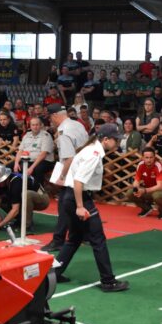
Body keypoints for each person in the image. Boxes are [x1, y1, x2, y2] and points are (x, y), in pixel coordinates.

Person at [53, 123, 129, 292]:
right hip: (79, 198)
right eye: (115, 140)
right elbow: (79, 181)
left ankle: (54, 273)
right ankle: (108, 281)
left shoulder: (89, 150)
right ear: (105, 139)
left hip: (69, 197)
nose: (117, 143)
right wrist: (80, 207)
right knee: (98, 239)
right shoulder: (93, 154)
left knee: (74, 239)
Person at [41, 103, 90, 253]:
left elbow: (69, 158)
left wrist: (61, 176)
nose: (50, 121)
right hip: (85, 168)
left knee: (64, 205)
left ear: (55, 116)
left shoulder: (64, 131)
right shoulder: (78, 125)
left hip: (72, 172)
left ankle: (58, 240)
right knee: (81, 203)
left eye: (50, 118)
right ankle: (86, 235)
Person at [0, 164, 50, 231]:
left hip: (42, 199)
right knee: (4, 200)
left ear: (5, 177)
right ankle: (20, 220)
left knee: (27, 195)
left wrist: (1, 224)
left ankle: (26, 224)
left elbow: (15, 210)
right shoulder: (2, 183)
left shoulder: (16, 182)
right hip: (24, 198)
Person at [126, 147, 162, 219]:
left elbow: (159, 186)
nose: (149, 160)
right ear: (142, 158)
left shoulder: (158, 166)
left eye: (151, 157)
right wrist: (136, 189)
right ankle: (146, 208)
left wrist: (144, 190)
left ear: (154, 157)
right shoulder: (140, 165)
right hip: (148, 190)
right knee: (130, 193)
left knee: (157, 195)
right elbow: (136, 180)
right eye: (146, 157)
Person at [14, 116, 54, 188]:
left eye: (37, 125)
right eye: (33, 125)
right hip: (28, 160)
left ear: (41, 125)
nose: (35, 127)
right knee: (11, 166)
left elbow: (43, 154)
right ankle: (16, 190)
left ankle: (38, 190)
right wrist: (16, 163)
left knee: (37, 169)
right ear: (30, 126)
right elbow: (20, 151)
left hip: (44, 161)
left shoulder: (46, 136)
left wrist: (32, 167)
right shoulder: (27, 135)